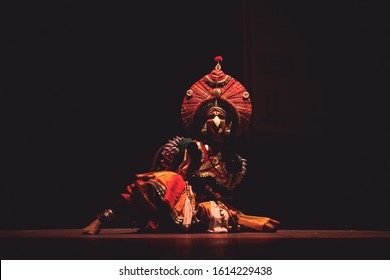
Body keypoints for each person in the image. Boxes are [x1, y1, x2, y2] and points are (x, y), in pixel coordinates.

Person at [82, 56, 280, 234]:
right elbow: (161, 179)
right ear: (204, 122)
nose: (217, 121)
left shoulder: (235, 162)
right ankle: (102, 219)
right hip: (177, 205)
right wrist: (184, 173)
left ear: (229, 124)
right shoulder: (185, 146)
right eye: (212, 116)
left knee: (219, 213)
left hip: (207, 213)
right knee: (166, 180)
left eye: (222, 117)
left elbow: (226, 197)